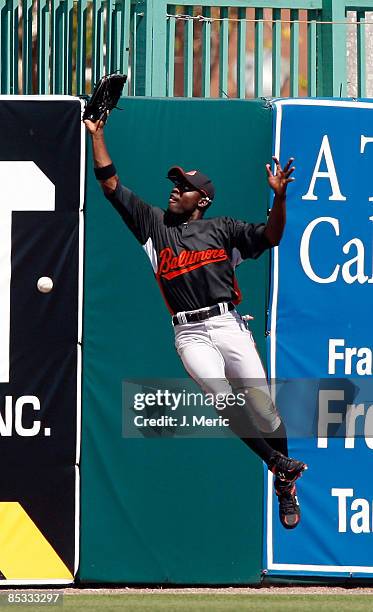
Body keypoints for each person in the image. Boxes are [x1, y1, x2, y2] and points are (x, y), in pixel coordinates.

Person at [84, 118, 307, 530]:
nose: (174, 188)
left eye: (183, 186)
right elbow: (110, 185)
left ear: (201, 199)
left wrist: (280, 198)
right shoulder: (154, 226)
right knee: (222, 397)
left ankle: (283, 481)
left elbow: (272, 237)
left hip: (227, 326)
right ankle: (279, 464)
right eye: (174, 183)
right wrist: (97, 135)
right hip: (189, 332)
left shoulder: (221, 230)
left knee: (262, 406)